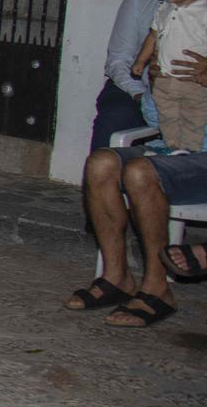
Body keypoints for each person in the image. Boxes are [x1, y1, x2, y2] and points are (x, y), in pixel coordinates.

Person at [69, 44, 207, 326]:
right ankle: (116, 277)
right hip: (170, 150)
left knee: (140, 171)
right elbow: (155, 119)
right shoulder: (182, 38)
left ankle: (157, 287)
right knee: (101, 163)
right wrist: (158, 83)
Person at [95, 0, 207, 151]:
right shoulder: (142, 1)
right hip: (140, 87)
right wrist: (139, 92)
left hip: (194, 89)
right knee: (114, 117)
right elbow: (119, 59)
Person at [131, 0, 207, 162]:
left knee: (194, 116)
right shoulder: (164, 8)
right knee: (167, 114)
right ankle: (172, 146)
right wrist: (141, 61)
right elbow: (153, 37)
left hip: (194, 81)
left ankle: (191, 151)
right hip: (164, 77)